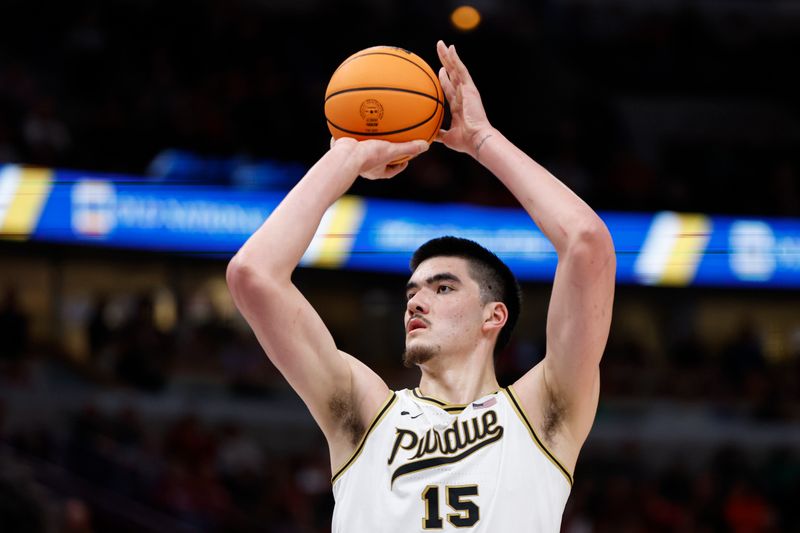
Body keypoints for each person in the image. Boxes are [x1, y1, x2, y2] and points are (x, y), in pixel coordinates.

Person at [226, 40, 616, 532]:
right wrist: (347, 154)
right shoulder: (364, 412)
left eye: (444, 288)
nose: (417, 301)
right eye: (412, 291)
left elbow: (586, 243)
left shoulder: (544, 413)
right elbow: (252, 275)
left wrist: (481, 140)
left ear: (493, 316)